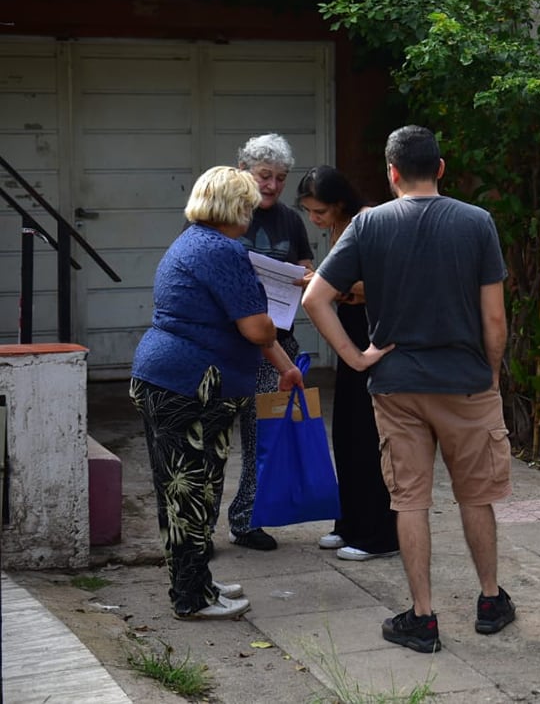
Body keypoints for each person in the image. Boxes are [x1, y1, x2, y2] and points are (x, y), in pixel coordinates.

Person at [302, 125, 513, 654]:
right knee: (477, 495)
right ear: (440, 168)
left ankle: (423, 617)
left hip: (396, 386)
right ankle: (490, 600)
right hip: (465, 384)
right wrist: (490, 372)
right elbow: (495, 318)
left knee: (410, 501)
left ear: (391, 172)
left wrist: (357, 359)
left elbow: (314, 298)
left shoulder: (368, 225)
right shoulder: (476, 223)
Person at [130, 166, 304, 620]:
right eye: (246, 203)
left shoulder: (192, 241)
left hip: (172, 380)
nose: (251, 211)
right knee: (189, 495)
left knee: (188, 491)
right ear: (232, 207)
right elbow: (258, 327)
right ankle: (190, 597)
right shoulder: (222, 250)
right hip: (188, 386)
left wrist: (285, 369)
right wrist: (267, 315)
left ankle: (198, 584)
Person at [297, 165, 400, 561]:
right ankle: (350, 522)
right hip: (350, 336)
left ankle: (379, 534)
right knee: (346, 434)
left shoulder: (369, 220)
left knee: (368, 436)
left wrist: (333, 287)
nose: (315, 220)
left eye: (319, 212)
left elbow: (388, 282)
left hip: (372, 337)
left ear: (339, 202)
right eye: (309, 212)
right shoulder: (342, 227)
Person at [226, 133, 315, 551]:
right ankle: (194, 533)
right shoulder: (222, 213)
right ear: (243, 171)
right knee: (208, 445)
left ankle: (246, 520)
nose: (272, 186)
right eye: (265, 176)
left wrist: (306, 277)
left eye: (280, 178)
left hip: (276, 344)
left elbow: (304, 265)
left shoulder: (290, 220)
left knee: (262, 439)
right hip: (226, 347)